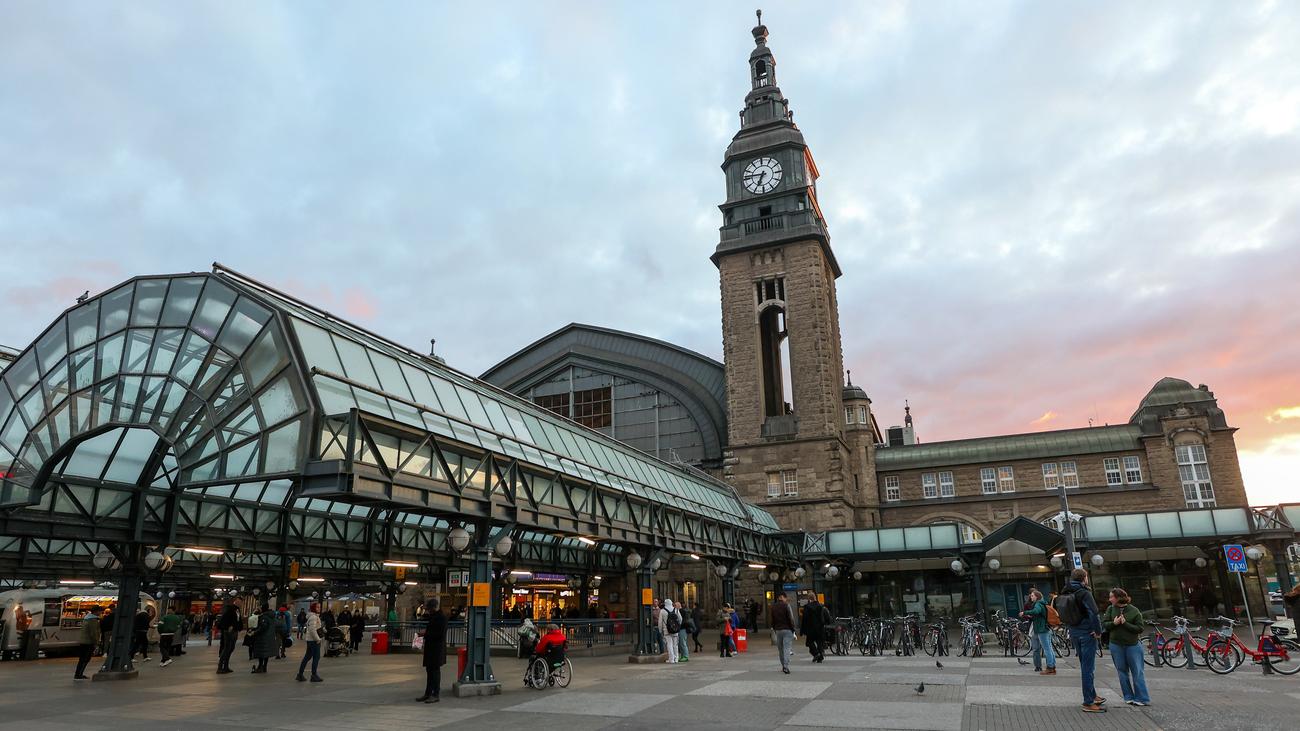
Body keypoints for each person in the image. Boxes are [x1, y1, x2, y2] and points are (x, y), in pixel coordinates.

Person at [1061, 568, 1105, 713]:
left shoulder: (1065, 591)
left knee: (1084, 665)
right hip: (1087, 632)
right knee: (1088, 668)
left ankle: (1092, 694)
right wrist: (1098, 631)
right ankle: (1088, 701)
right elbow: (1093, 612)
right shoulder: (1084, 592)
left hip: (1074, 631)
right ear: (1084, 578)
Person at [1102, 588, 1150, 706]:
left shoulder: (1134, 610)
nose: (1110, 599)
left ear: (1118, 598)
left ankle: (1142, 698)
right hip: (1116, 644)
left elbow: (1139, 628)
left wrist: (1125, 623)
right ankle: (1128, 696)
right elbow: (1105, 624)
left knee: (1137, 671)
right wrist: (1114, 623)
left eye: (1111, 597)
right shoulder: (1110, 609)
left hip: (1132, 645)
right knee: (1122, 671)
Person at [416, 599, 447, 703]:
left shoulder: (441, 618)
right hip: (431, 649)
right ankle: (428, 693)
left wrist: (425, 634)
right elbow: (433, 630)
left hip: (436, 649)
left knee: (435, 672)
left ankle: (435, 694)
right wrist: (426, 632)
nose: (428, 611)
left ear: (433, 608)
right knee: (429, 671)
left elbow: (439, 634)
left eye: (429, 609)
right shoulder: (434, 617)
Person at [1020, 588, 1055, 675]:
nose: (1031, 597)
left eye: (1032, 596)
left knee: (1047, 649)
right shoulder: (1043, 603)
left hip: (1041, 629)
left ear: (1037, 597)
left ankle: (1050, 667)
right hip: (1046, 628)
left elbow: (1036, 611)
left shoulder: (1038, 604)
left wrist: (1024, 613)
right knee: (1049, 648)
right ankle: (1052, 666)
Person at [770, 592, 797, 674]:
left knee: (780, 649)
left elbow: (772, 619)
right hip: (787, 629)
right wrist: (793, 629)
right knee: (787, 648)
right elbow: (791, 618)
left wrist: (774, 628)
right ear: (784, 597)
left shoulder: (773, 606)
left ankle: (783, 666)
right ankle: (786, 666)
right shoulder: (786, 605)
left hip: (778, 630)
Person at [296, 602, 323, 683]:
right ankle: (313, 675)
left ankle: (300, 674)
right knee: (316, 657)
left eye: (319, 607)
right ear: (314, 608)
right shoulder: (314, 617)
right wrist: (317, 639)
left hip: (310, 640)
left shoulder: (313, 617)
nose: (319, 608)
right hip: (313, 641)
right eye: (318, 607)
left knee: (307, 657)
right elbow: (312, 630)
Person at [74, 605, 101, 680]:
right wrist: (96, 642)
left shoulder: (87, 618)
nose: (100, 612)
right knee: (85, 659)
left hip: (84, 641)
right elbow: (94, 633)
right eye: (99, 611)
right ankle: (79, 674)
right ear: (96, 611)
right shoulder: (93, 620)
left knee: (82, 659)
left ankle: (78, 673)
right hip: (88, 642)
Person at [800, 594, 828, 663]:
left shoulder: (807, 607)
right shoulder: (821, 606)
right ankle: (820, 656)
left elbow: (805, 619)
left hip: (811, 628)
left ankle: (816, 654)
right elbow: (826, 617)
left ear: (809, 599)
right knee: (819, 642)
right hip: (820, 628)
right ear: (815, 598)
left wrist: (802, 630)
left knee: (809, 642)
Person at [251, 606, 278, 674]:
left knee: (261, 653)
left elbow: (263, 627)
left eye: (260, 608)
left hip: (263, 638)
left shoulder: (264, 617)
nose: (258, 609)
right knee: (266, 653)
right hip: (269, 637)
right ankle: (264, 667)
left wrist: (255, 632)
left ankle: (260, 667)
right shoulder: (271, 616)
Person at [216, 602, 240, 674]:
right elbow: (225, 620)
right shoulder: (230, 610)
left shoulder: (237, 610)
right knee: (227, 648)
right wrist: (229, 626)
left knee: (231, 648)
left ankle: (226, 666)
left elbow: (238, 620)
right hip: (229, 631)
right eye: (240, 601)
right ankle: (220, 667)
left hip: (235, 630)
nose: (241, 603)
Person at [658, 598, 680, 663]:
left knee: (669, 645)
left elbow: (660, 622)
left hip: (666, 630)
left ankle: (671, 659)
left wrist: (660, 630)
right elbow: (680, 619)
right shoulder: (676, 610)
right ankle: (676, 658)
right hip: (675, 630)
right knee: (675, 645)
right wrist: (677, 626)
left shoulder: (662, 611)